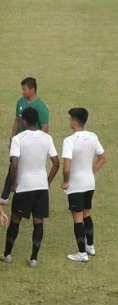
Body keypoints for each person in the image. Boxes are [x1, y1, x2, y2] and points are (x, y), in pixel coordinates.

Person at [0, 107, 59, 268]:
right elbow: (56, 163)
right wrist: (47, 181)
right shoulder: (47, 138)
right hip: (41, 186)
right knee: (38, 222)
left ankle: (7, 254)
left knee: (16, 220)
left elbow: (15, 163)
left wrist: (14, 182)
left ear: (24, 121)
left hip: (24, 186)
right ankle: (33, 258)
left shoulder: (18, 138)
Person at [61, 108, 106, 262]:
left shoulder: (69, 141)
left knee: (78, 218)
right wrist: (91, 171)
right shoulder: (93, 137)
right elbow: (102, 157)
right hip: (89, 183)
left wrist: (66, 181)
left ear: (74, 120)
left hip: (76, 185)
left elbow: (66, 168)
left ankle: (81, 254)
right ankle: (90, 246)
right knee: (86, 214)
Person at [0, 77, 49, 204]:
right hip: (19, 141)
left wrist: (36, 141)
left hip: (31, 144)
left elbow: (45, 126)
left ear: (32, 90)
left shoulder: (41, 107)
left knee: (26, 167)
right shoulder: (20, 102)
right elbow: (17, 120)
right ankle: (5, 195)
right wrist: (12, 138)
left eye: (25, 89)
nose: (22, 92)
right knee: (13, 165)